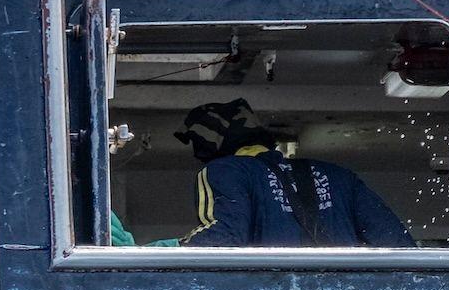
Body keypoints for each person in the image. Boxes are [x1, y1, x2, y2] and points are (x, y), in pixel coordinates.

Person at [172, 99, 413, 248]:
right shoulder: (339, 176)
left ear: (208, 149)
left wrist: (166, 250)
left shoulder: (225, 170)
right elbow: (397, 245)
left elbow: (223, 240)